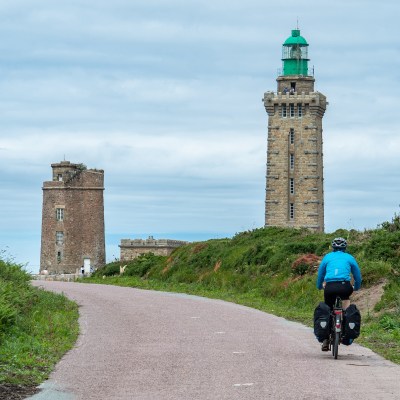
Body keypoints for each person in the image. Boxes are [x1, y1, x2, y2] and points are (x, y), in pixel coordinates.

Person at [316, 237, 362, 351]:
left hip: (330, 287)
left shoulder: (327, 257)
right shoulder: (349, 257)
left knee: (328, 309)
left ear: (333, 247)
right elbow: (357, 276)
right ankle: (346, 331)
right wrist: (356, 287)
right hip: (345, 287)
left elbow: (321, 275)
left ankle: (326, 339)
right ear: (345, 248)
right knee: (346, 308)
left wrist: (319, 286)